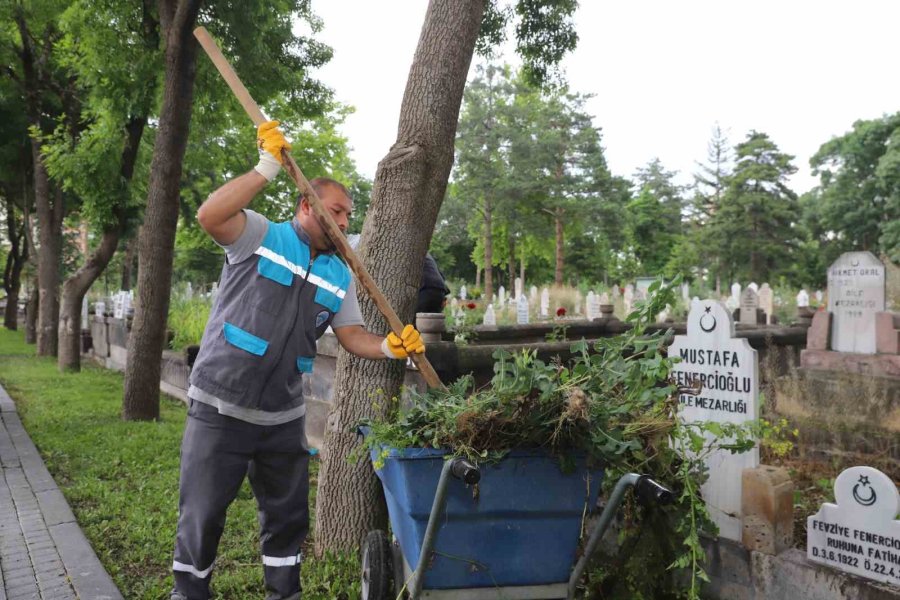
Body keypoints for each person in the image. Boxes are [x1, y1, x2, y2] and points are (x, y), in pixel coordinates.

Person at [170, 121, 425, 600]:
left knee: (288, 521)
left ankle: (284, 594)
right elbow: (210, 216)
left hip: (282, 416)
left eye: (350, 216)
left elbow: (351, 336)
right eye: (337, 211)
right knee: (202, 515)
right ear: (306, 205)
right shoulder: (259, 236)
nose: (346, 223)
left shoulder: (338, 274)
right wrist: (266, 166)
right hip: (220, 407)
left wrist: (391, 347)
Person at [346, 235, 449, 314]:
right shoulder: (415, 250)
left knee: (410, 331)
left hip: (424, 290)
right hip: (438, 291)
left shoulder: (389, 251)